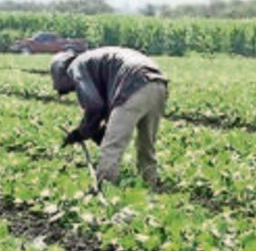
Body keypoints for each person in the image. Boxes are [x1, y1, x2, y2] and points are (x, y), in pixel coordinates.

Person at [51, 46, 169, 187]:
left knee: (112, 146)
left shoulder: (76, 66)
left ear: (61, 73)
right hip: (158, 84)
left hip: (133, 84)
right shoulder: (94, 61)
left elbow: (95, 106)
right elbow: (105, 106)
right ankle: (150, 182)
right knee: (146, 144)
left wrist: (82, 132)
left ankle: (104, 186)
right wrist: (96, 130)